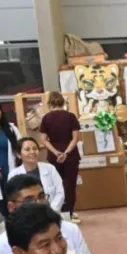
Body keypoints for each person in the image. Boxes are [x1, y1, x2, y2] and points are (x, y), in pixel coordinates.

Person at [0, 175, 93, 254]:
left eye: (41, 197)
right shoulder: (0, 247)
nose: (39, 204)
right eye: (29, 200)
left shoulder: (70, 229)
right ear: (12, 207)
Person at [39, 92, 81, 221]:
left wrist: (56, 152)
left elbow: (44, 140)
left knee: (55, 185)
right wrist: (66, 153)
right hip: (71, 155)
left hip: (53, 156)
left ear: (49, 104)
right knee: (70, 185)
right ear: (63, 103)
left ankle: (57, 213)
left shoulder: (45, 118)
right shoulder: (70, 117)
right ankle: (69, 213)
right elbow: (75, 138)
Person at [6, 137, 65, 212]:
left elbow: (60, 192)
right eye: (27, 149)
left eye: (35, 149)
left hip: (51, 212)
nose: (32, 152)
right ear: (19, 154)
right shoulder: (13, 174)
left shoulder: (50, 168)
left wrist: (51, 211)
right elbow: (14, 198)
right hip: (26, 215)